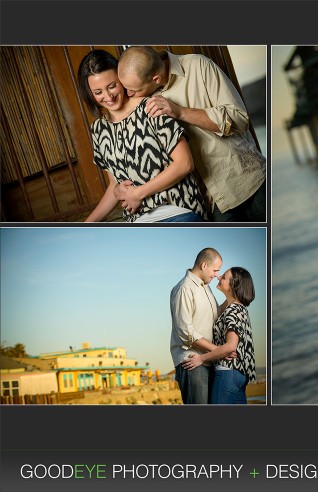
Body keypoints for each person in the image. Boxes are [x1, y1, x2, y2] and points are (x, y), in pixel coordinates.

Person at [116, 46, 266, 222]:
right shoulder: (142, 99)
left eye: (133, 90)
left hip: (250, 182)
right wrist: (118, 189)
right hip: (211, 203)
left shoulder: (199, 65)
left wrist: (180, 112)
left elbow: (239, 118)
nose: (128, 94)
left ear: (156, 79)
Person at [76, 49, 206, 223]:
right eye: (98, 92)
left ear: (121, 78)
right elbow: (115, 185)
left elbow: (185, 163)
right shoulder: (99, 129)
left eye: (112, 85)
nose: (108, 97)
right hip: (137, 221)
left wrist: (138, 193)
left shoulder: (151, 106)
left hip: (176, 210)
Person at [182, 267, 257, 404]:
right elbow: (218, 309)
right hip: (240, 374)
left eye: (223, 277)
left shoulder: (233, 311)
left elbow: (230, 346)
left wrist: (200, 358)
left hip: (227, 373)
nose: (218, 277)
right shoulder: (238, 307)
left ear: (233, 285)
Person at [170, 248, 223, 404]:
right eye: (215, 270)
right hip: (192, 362)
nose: (216, 275)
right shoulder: (184, 288)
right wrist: (217, 351)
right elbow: (185, 331)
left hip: (208, 360)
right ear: (204, 265)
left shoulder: (205, 287)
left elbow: (214, 314)